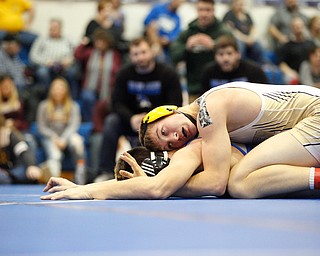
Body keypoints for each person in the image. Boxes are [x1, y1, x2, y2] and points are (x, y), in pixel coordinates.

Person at [136, 81, 320, 199]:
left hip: (315, 116)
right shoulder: (210, 121)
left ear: (167, 110)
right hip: (310, 125)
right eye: (169, 145)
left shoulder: (207, 113)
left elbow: (215, 183)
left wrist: (162, 185)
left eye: (164, 131)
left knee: (239, 183)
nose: (174, 138)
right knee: (261, 179)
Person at [41, 138, 253, 200]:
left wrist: (88, 191)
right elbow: (147, 184)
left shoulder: (188, 153)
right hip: (263, 166)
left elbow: (155, 188)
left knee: (238, 186)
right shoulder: (180, 163)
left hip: (270, 162)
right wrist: (83, 186)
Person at [94, 37, 183, 182]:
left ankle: (168, 170)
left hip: (159, 123)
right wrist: (131, 118)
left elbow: (175, 104)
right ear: (130, 56)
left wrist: (153, 119)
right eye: (135, 54)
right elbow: (116, 103)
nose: (140, 57)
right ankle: (105, 171)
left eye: (143, 52)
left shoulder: (168, 74)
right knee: (111, 121)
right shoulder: (124, 74)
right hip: (131, 121)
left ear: (151, 52)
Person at [170, 0, 231, 102]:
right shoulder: (188, 32)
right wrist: (187, 48)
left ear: (213, 10)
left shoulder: (223, 32)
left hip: (219, 87)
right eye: (201, 10)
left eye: (208, 10)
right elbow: (173, 56)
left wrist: (215, 46)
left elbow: (236, 56)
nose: (204, 14)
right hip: (195, 88)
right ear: (196, 11)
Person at [36, 77, 87, 184]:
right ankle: (54, 181)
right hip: (50, 138)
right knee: (55, 155)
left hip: (68, 136)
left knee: (77, 143)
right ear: (51, 90)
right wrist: (54, 137)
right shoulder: (43, 106)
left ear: (65, 90)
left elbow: (74, 125)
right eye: (55, 88)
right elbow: (41, 127)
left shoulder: (74, 106)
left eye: (60, 88)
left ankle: (80, 173)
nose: (58, 91)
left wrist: (64, 138)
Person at [74, 28, 121, 121]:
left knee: (107, 102)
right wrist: (83, 43)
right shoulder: (90, 52)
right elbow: (77, 55)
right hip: (90, 87)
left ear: (107, 43)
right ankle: (91, 122)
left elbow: (118, 71)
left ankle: (100, 123)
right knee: (87, 97)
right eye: (98, 41)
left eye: (102, 42)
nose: (100, 44)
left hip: (108, 88)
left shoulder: (114, 55)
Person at [201, 34, 268, 91]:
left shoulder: (254, 71)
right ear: (215, 56)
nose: (225, 59)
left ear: (238, 54)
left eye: (229, 53)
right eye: (221, 54)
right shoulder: (208, 73)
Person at [29, 18, 78, 95]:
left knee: (73, 72)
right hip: (47, 65)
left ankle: (73, 99)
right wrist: (45, 62)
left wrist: (70, 60)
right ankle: (49, 96)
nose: (52, 30)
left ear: (60, 29)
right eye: (51, 28)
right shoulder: (41, 40)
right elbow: (33, 56)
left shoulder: (68, 40)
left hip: (64, 65)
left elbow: (77, 53)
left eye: (55, 28)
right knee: (42, 72)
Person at [0, 114, 45, 184]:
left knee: (23, 172)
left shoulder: (12, 136)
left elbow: (24, 151)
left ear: (4, 128)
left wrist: (31, 165)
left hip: (15, 169)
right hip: (4, 172)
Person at [222, 0, 268, 65]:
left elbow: (253, 27)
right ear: (233, 4)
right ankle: (240, 65)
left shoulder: (246, 14)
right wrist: (245, 39)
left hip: (248, 38)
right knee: (240, 45)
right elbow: (232, 31)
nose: (240, 6)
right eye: (238, 4)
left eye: (242, 4)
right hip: (236, 39)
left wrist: (251, 37)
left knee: (258, 45)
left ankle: (261, 66)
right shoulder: (229, 15)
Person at [277, 17, 315, 84]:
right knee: (289, 78)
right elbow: (282, 64)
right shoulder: (287, 45)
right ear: (292, 28)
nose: (298, 28)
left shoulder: (311, 44)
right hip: (293, 74)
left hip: (309, 72)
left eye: (300, 26)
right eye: (296, 26)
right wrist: (291, 73)